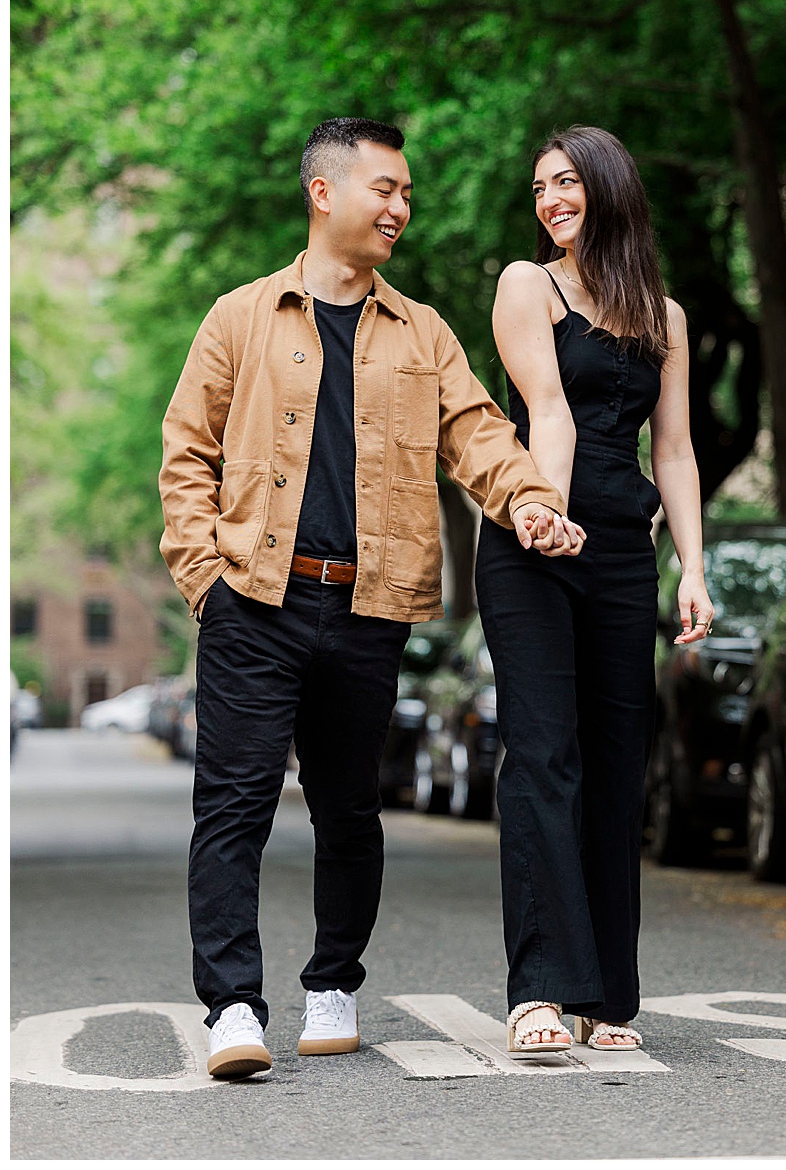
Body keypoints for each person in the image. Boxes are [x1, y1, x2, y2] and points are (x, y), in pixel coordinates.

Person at [160, 117, 586, 1081]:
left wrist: (527, 498)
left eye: (405, 193)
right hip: (254, 600)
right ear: (324, 193)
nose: (400, 207)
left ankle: (333, 982)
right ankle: (231, 1004)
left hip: (367, 606)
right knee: (232, 806)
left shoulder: (422, 332)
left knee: (351, 809)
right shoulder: (239, 317)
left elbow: (479, 434)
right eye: (384, 189)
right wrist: (205, 579)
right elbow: (185, 448)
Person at [477, 125, 711, 1058]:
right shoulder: (526, 286)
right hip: (535, 540)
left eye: (567, 182)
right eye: (540, 186)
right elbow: (551, 412)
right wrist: (547, 511)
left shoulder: (666, 316)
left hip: (623, 553)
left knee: (618, 769)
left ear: (609, 188)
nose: (551, 199)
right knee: (544, 757)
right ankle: (538, 989)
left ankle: (608, 995)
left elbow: (678, 449)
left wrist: (693, 566)